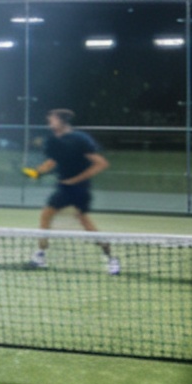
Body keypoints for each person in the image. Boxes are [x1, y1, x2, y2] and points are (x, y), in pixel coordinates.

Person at [22, 109, 118, 275]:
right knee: (46, 215)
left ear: (61, 121)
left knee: (85, 224)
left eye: (52, 120)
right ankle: (40, 256)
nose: (49, 123)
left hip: (79, 189)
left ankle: (112, 259)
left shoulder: (80, 139)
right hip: (63, 188)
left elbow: (101, 163)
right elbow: (53, 161)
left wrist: (77, 179)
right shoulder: (56, 141)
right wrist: (37, 172)